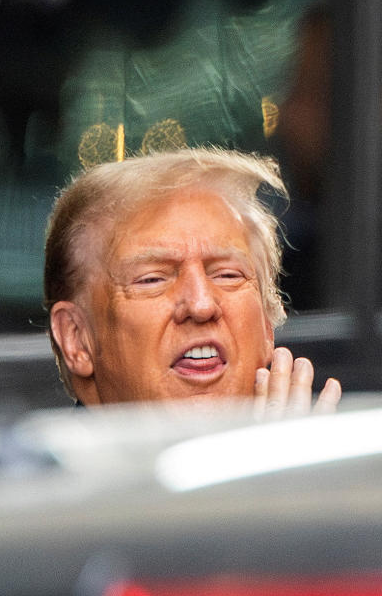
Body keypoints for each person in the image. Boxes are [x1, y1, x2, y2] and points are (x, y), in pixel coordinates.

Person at [43, 146, 342, 415]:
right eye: (152, 280)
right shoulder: (37, 475)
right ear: (76, 337)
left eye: (227, 275)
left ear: (267, 325)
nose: (201, 305)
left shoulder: (329, 468)